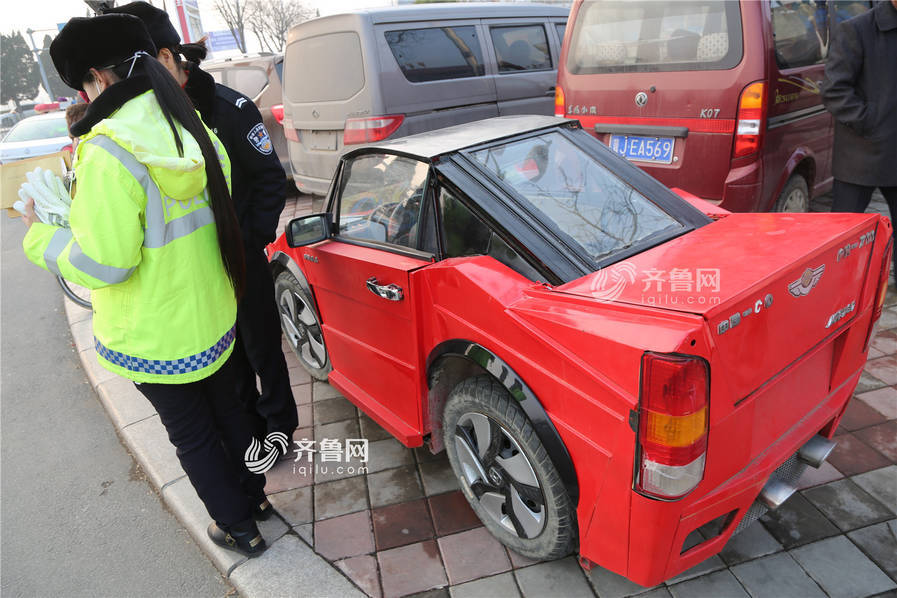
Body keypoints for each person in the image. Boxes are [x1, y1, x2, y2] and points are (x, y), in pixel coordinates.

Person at [22, 13, 268, 557]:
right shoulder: (190, 125)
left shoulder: (109, 149)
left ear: (98, 79)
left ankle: (238, 527)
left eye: (82, 84)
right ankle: (255, 500)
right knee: (231, 412)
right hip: (214, 314)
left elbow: (106, 263)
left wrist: (41, 238)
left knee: (193, 435)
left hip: (154, 334)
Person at [105, 3, 297, 461]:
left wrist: (250, 238)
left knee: (261, 348)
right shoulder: (150, 119)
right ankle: (248, 430)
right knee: (224, 355)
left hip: (242, 252)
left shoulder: (231, 110)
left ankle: (279, 430)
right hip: (196, 265)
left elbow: (270, 179)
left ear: (169, 58)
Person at [821, 0, 896, 284]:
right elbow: (834, 90)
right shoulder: (856, 29)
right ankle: (833, 288)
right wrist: (870, 121)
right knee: (843, 232)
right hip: (861, 155)